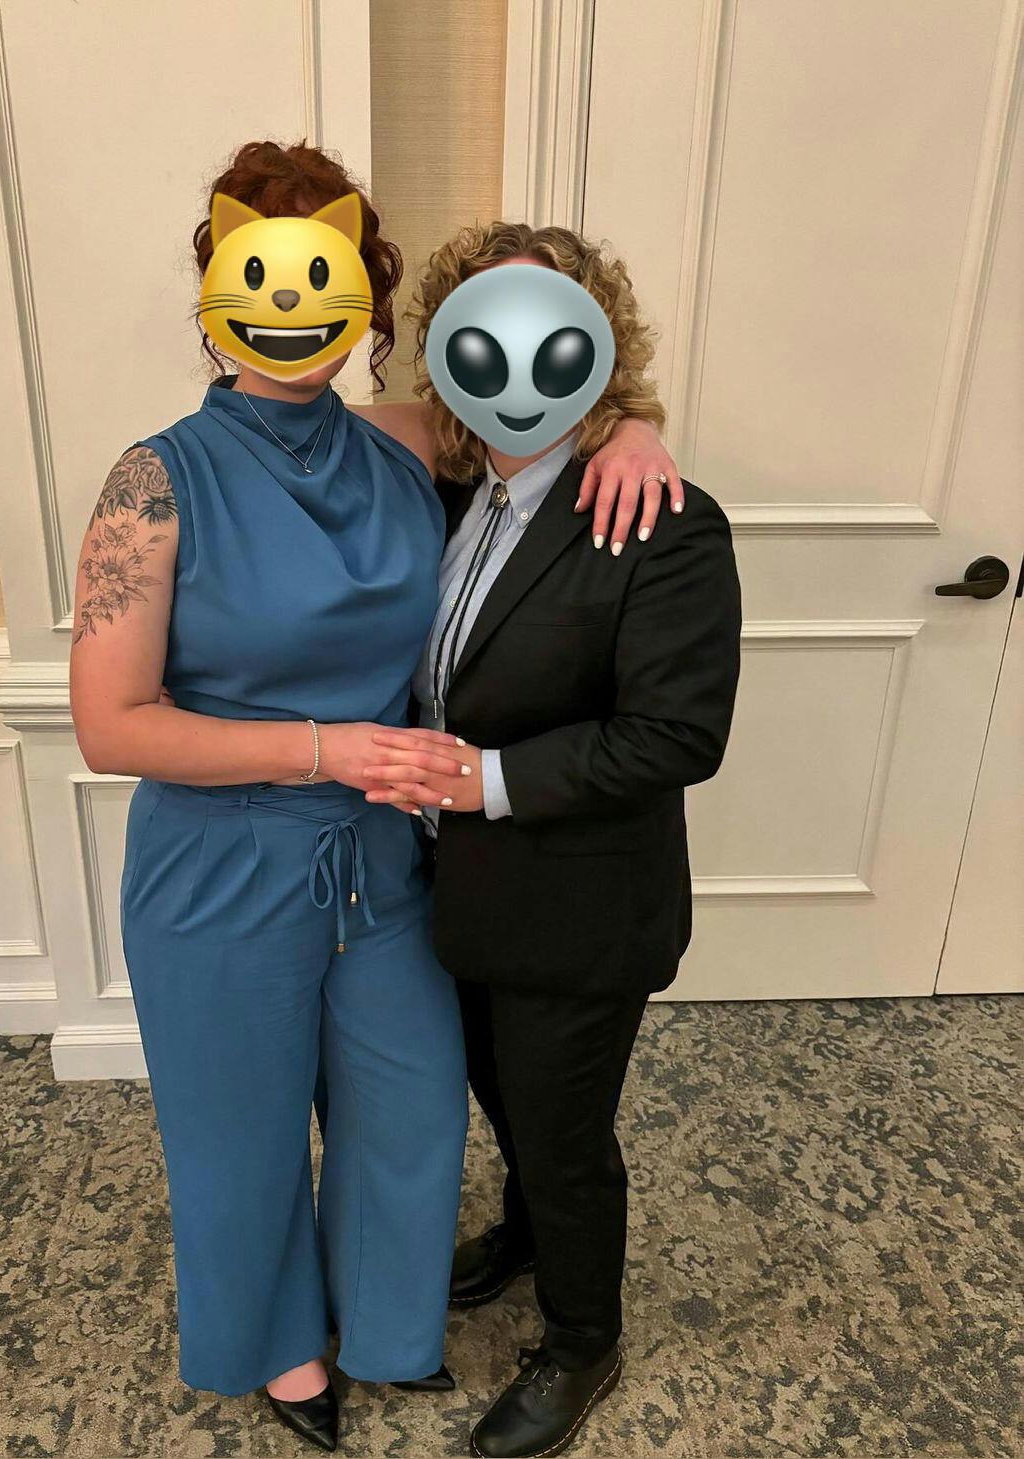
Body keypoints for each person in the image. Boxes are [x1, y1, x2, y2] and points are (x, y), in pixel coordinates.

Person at [68, 140, 683, 1454]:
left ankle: (388, 1324)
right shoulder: (152, 481)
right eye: (261, 270)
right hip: (221, 865)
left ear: (367, 300)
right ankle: (282, 1346)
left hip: (388, 860)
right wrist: (324, 749)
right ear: (217, 290)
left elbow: (548, 423)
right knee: (239, 1135)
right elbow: (110, 724)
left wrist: (637, 423)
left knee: (408, 1107)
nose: (292, 304)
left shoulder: (406, 444)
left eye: (326, 272)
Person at [362, 221, 743, 1458]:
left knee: (564, 1132)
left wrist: (485, 780)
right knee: (501, 1094)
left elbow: (676, 735)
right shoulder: (449, 490)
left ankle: (583, 1338)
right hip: (457, 890)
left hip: (581, 904)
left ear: (598, 345)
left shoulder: (664, 518)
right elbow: (308, 420)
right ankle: (528, 1236)